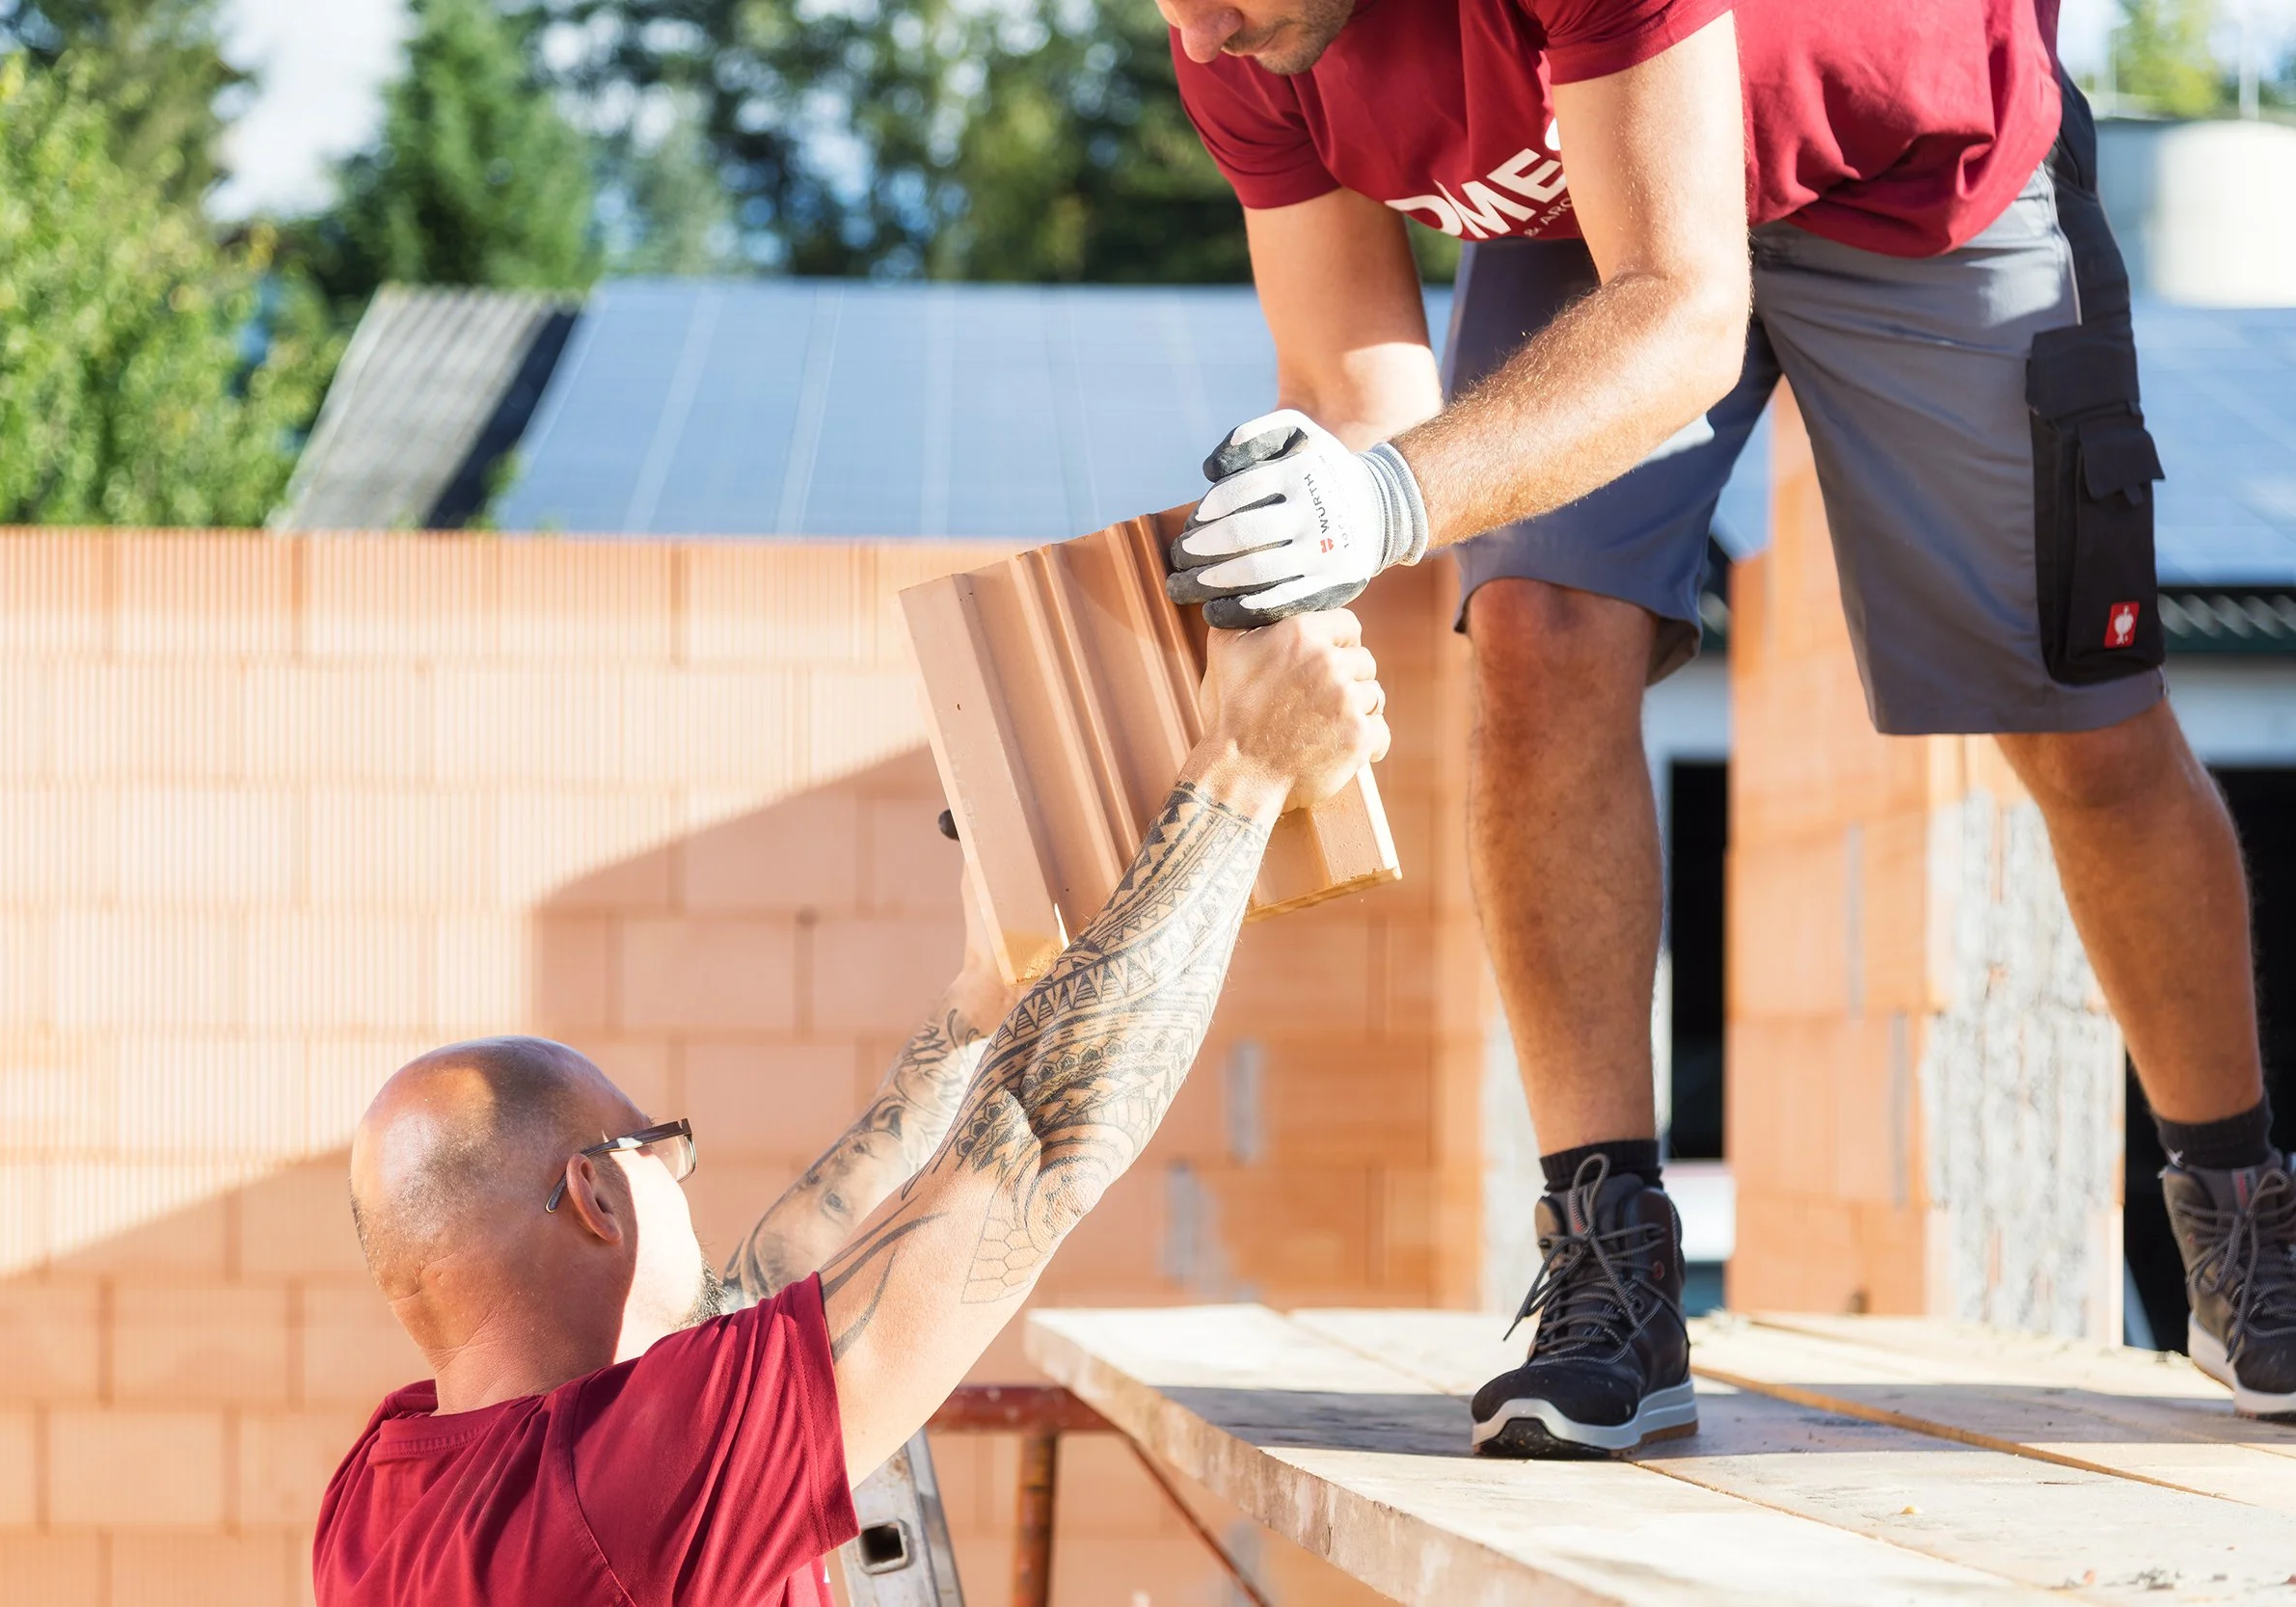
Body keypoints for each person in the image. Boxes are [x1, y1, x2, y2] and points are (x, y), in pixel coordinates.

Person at [1153, 0, 2286, 1454]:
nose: (1199, 22)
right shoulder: (1238, 40)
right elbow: (1357, 396)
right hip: (1601, 183)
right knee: (1533, 632)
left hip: (1918, 170)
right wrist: (1305, 511)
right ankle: (1610, 1271)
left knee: (2081, 722)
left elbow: (1686, 315)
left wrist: (1376, 500)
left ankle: (2243, 1213)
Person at [311, 611, 1391, 1605]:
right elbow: (1034, 1147)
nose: (684, 1181)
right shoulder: (611, 1498)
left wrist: (980, 1002)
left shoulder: (382, 1498)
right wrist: (1245, 765)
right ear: (594, 1192)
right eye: (659, 1150)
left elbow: (744, 1306)